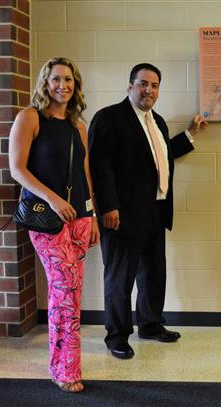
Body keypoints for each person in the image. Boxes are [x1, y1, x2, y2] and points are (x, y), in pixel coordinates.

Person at [88, 63, 208, 360]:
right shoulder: (109, 118)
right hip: (121, 214)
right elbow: (99, 167)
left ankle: (151, 324)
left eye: (154, 85)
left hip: (155, 210)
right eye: (143, 84)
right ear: (130, 86)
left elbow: (162, 154)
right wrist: (108, 207)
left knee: (153, 274)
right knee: (120, 278)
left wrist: (191, 134)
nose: (149, 90)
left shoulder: (157, 121)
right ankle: (116, 336)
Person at [8, 57, 99, 393]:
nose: (64, 85)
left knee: (72, 296)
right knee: (63, 293)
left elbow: (84, 174)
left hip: (80, 219)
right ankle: (65, 370)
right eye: (57, 78)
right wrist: (53, 199)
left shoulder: (78, 126)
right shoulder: (30, 117)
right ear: (45, 82)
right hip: (47, 221)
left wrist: (92, 214)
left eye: (70, 79)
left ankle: (63, 365)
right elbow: (18, 169)